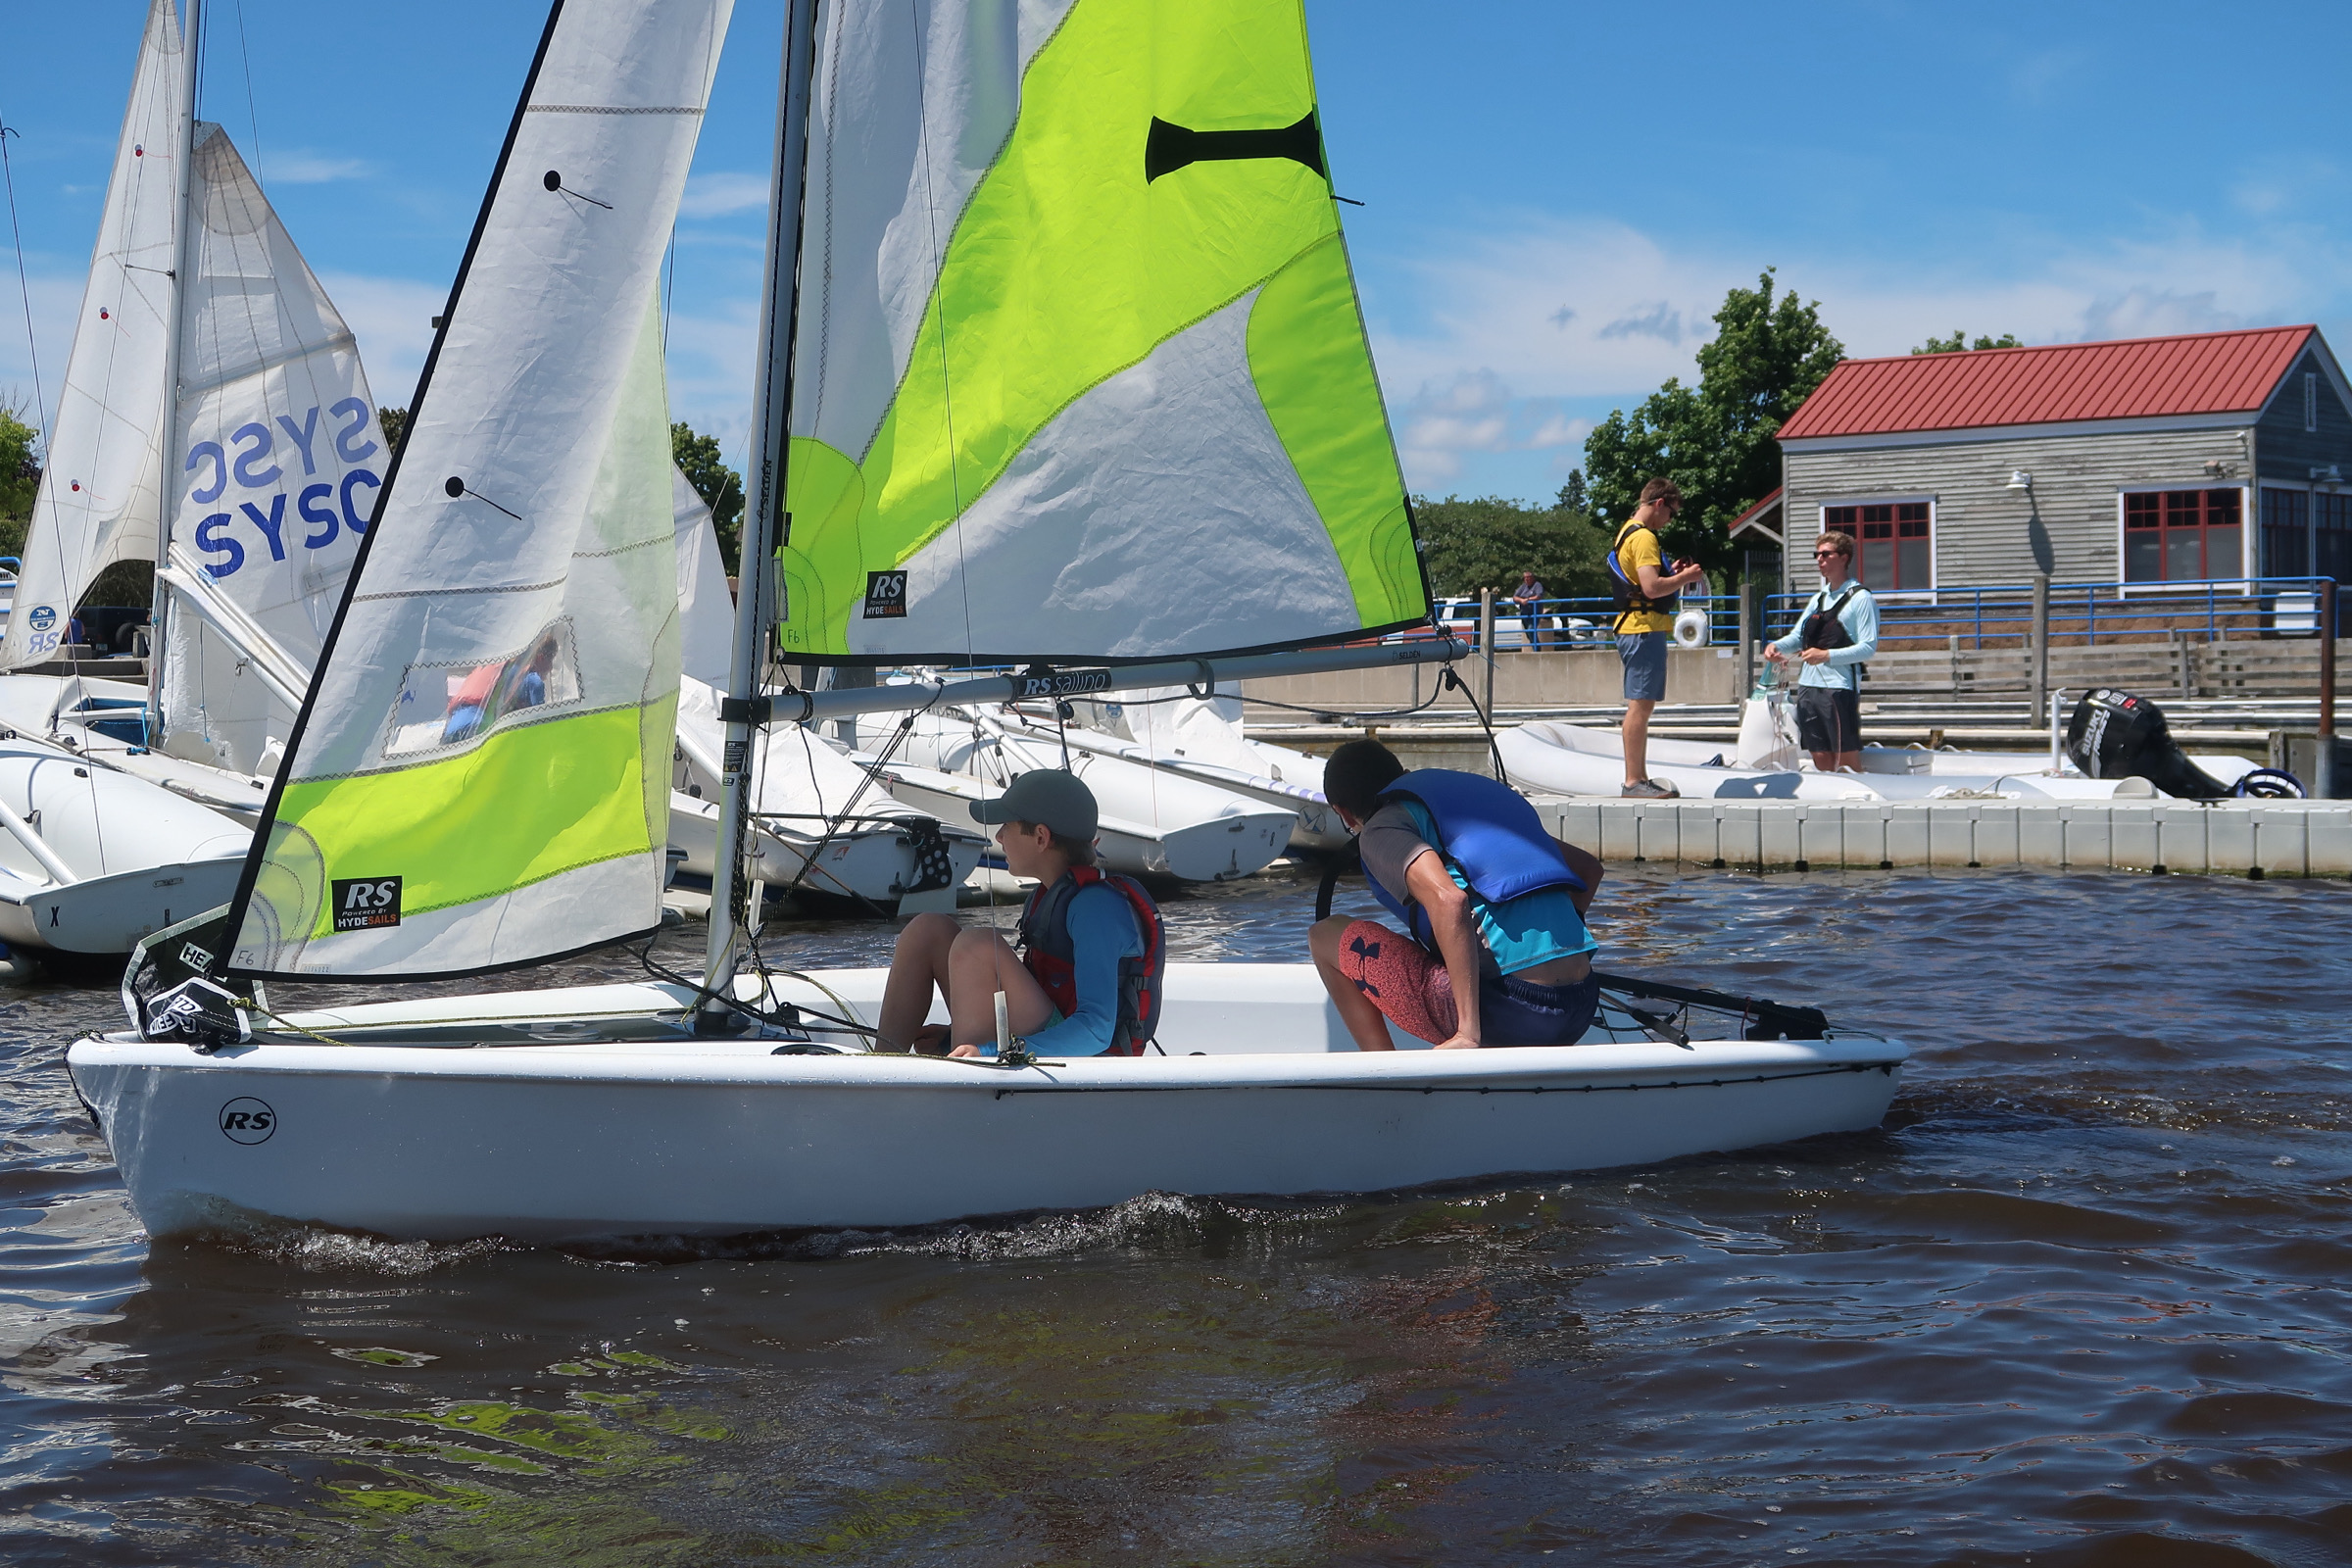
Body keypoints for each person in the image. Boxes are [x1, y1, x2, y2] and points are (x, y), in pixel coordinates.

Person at [1307, 739, 1605, 1051]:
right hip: (1581, 1004)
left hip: (1511, 1012)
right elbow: (1588, 869)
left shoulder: (1380, 829)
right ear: (1405, 776)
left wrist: (1468, 1034)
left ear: (1343, 813)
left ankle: (1382, 1068)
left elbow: (1449, 900)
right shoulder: (1470, 810)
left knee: (1323, 935)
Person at [876, 769, 1163, 1058]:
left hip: (1093, 1062)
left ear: (1040, 838)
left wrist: (993, 1051)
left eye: (1006, 826)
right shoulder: (1048, 895)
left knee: (977, 946)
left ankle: (968, 1077)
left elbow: (1097, 1029)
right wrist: (953, 1034)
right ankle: (882, 1067)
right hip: (1051, 1035)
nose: (998, 836)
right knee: (929, 929)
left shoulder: (1096, 910)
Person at [1607, 478, 1708, 799]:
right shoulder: (1645, 537)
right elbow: (1651, 588)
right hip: (1642, 627)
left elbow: (1642, 581)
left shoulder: (1627, 531)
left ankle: (1640, 778)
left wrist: (1671, 573)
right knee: (1640, 706)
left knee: (1641, 704)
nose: (1669, 521)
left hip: (1634, 626)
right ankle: (1633, 782)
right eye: (1671, 513)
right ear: (1659, 503)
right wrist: (1686, 577)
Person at [1765, 529, 1879, 772]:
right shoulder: (1819, 598)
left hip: (1839, 689)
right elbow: (1797, 637)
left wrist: (1826, 656)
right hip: (1808, 688)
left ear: (1844, 557)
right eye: (1817, 554)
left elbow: (1868, 647)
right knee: (1819, 754)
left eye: (1826, 554)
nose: (1819, 559)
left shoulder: (1861, 599)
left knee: (1845, 757)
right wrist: (1776, 646)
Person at [1510, 569, 1546, 651]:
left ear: (1532, 578)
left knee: (1531, 629)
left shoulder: (1537, 585)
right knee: (1528, 633)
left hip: (1534, 613)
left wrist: (1528, 599)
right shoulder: (1523, 586)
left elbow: (1538, 596)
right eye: (1525, 578)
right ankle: (1535, 647)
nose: (1527, 579)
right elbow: (1515, 597)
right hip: (1524, 613)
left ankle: (1537, 649)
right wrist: (1521, 600)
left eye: (1528, 577)